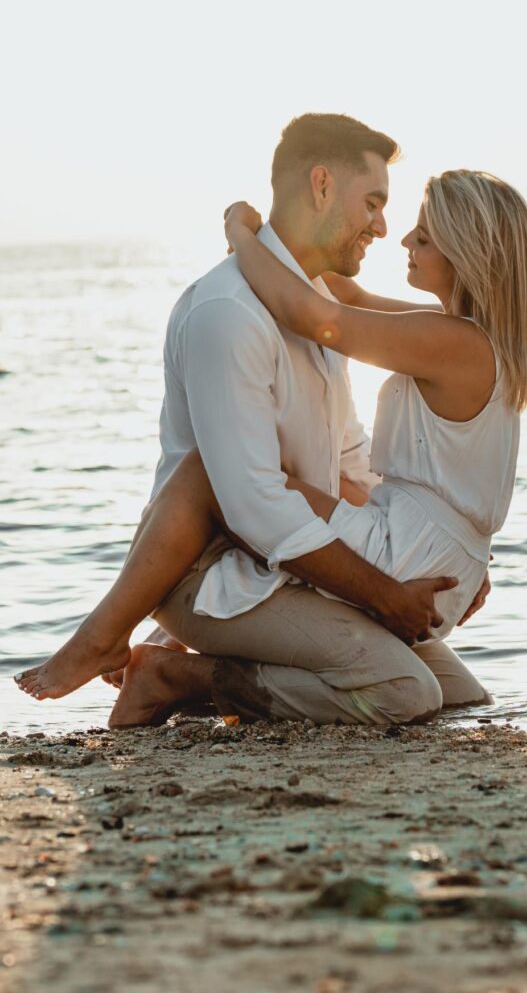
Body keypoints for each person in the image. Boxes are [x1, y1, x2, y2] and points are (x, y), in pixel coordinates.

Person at [16, 114, 498, 726]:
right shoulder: (229, 312)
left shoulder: (309, 312)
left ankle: (205, 663)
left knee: (457, 694)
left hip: (301, 565)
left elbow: (351, 459)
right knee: (406, 693)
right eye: (373, 203)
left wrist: (436, 561)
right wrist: (381, 594)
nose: (382, 226)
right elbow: (252, 506)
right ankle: (175, 675)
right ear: (321, 185)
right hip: (215, 570)